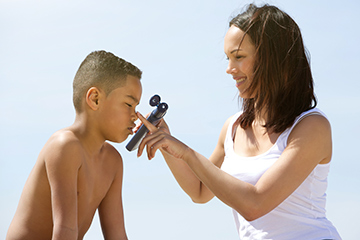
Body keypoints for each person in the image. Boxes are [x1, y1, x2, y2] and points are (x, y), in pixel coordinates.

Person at [136, 4, 342, 240]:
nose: (229, 69)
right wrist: (166, 143)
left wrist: (188, 153)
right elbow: (200, 190)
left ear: (271, 58)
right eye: (228, 58)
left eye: (239, 57)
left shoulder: (311, 127)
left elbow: (255, 203)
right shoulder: (233, 128)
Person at [6, 50, 142, 240]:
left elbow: (117, 235)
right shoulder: (65, 146)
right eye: (129, 104)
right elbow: (65, 231)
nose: (136, 116)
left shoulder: (113, 162)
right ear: (95, 99)